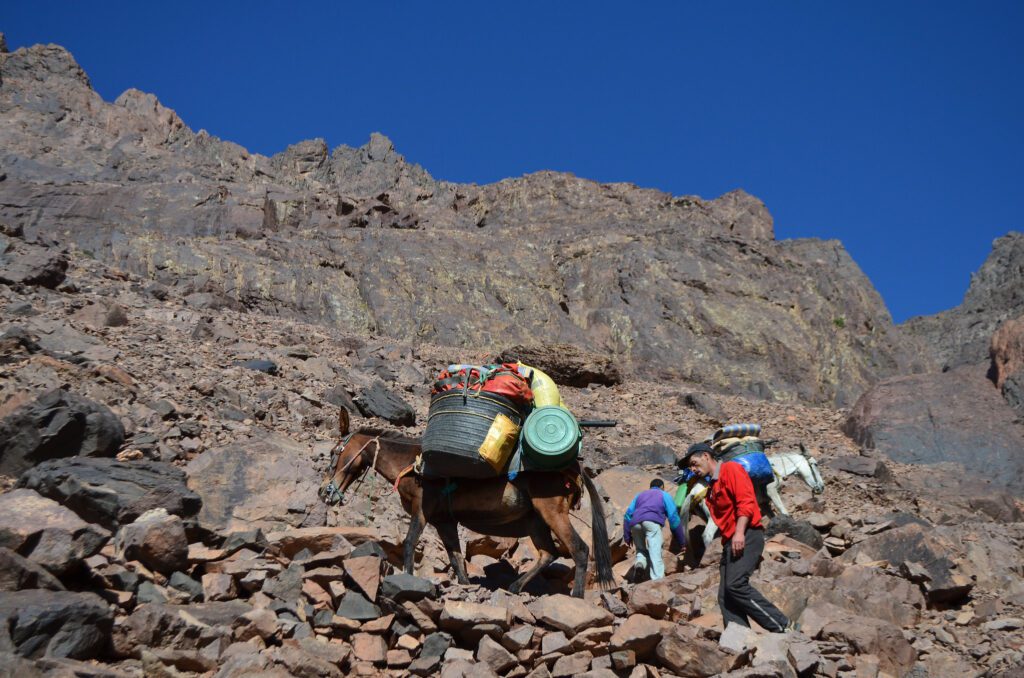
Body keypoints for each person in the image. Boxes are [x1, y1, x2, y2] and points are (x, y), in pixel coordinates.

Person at [681, 442, 791, 632]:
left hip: (747, 534)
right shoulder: (712, 486)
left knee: (735, 585)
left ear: (706, 456)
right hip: (730, 541)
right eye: (690, 467)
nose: (693, 469)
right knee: (725, 596)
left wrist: (739, 533)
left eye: (694, 463)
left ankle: (782, 625)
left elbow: (745, 502)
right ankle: (738, 637)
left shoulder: (731, 470)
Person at [623, 478, 687, 581]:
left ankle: (640, 564)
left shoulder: (639, 495)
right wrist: (682, 542)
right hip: (651, 523)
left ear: (650, 487)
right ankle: (657, 580)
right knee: (655, 551)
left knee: (640, 549)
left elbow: (627, 515)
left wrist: (627, 536)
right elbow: (673, 517)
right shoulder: (664, 495)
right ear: (662, 487)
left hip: (635, 524)